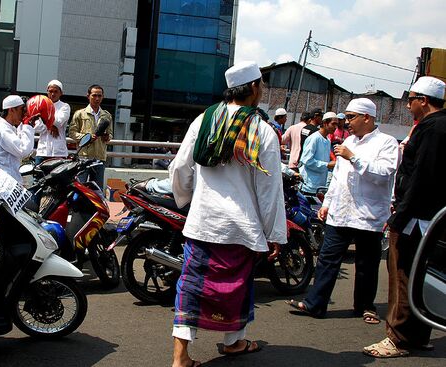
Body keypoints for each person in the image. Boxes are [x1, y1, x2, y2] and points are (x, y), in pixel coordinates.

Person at [169, 61, 286, 367]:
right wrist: (274, 233)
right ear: (254, 88)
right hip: (242, 228)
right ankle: (233, 342)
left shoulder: (204, 120)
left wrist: (189, 199)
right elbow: (269, 190)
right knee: (239, 286)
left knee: (192, 286)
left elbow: (181, 168)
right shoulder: (262, 129)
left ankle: (181, 356)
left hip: (203, 223)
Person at [287, 98, 399, 323]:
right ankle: (315, 303)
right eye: (345, 118)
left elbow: (384, 174)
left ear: (366, 117)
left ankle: (365, 306)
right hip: (340, 211)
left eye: (351, 117)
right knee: (328, 258)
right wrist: (327, 203)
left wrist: (353, 158)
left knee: (366, 264)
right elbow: (337, 178)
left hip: (367, 214)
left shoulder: (386, 143)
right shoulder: (349, 141)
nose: (346, 122)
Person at [363, 76, 446, 358]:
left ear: (423, 100)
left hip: (416, 218)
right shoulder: (434, 127)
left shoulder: (433, 129)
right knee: (416, 277)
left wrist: (400, 216)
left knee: (402, 278)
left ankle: (398, 338)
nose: (408, 105)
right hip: (427, 217)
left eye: (410, 99)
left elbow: (422, 177)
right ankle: (417, 335)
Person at [69, 84, 113, 189]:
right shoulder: (80, 114)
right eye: (94, 95)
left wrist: (107, 137)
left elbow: (110, 133)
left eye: (99, 96)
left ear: (103, 97)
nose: (97, 98)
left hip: (99, 157)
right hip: (83, 156)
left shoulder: (107, 115)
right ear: (88, 96)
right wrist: (86, 137)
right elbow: (72, 132)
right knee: (79, 188)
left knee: (97, 190)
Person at [0, 95, 36, 183]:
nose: (24, 113)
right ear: (11, 110)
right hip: (5, 181)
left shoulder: (8, 127)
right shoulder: (2, 129)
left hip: (8, 178)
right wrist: (28, 126)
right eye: (21, 109)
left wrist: (26, 124)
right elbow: (23, 150)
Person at [298, 112, 338, 194]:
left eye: (336, 124)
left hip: (320, 187)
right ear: (325, 123)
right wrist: (327, 165)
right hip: (308, 186)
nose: (335, 127)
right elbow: (307, 161)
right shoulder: (314, 138)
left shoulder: (327, 140)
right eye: (333, 124)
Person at [35, 80, 71, 164]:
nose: (53, 94)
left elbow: (59, 122)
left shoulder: (65, 106)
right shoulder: (40, 106)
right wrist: (51, 126)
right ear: (47, 92)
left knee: (58, 177)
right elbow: (37, 128)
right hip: (42, 151)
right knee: (39, 177)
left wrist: (44, 118)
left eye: (56, 91)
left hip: (58, 152)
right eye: (50, 91)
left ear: (61, 93)